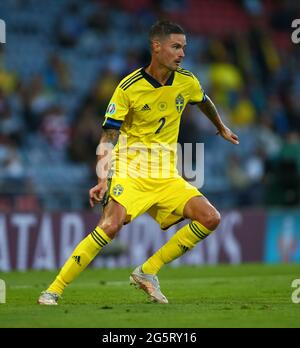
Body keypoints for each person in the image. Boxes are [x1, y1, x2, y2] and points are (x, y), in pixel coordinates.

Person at [38, 20, 239, 305]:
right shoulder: (128, 87)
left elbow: (203, 100)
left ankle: (147, 271)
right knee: (110, 227)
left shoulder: (187, 81)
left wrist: (220, 126)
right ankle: (53, 290)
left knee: (211, 218)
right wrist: (101, 178)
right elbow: (108, 135)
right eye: (176, 47)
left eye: (184, 47)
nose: (182, 53)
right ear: (156, 47)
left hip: (166, 175)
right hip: (130, 170)